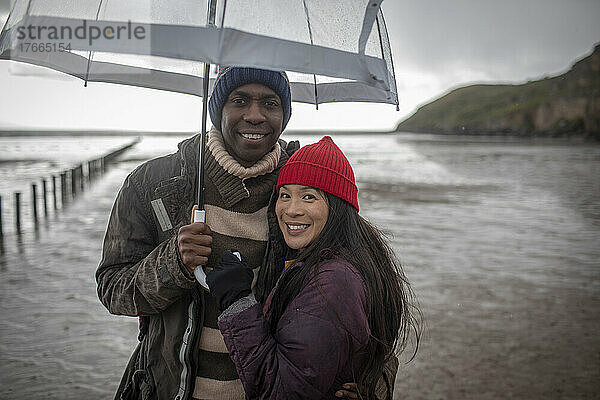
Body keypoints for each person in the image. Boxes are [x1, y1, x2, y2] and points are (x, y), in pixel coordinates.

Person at [96, 67, 379, 400]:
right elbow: (112, 289)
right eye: (239, 100)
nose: (255, 116)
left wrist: (372, 384)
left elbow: (362, 300)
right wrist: (172, 264)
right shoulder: (151, 183)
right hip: (168, 389)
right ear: (218, 111)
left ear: (284, 115)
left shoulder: (299, 189)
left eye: (270, 104)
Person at [206, 136, 421, 399]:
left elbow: (282, 391)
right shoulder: (349, 258)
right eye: (285, 195)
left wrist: (236, 300)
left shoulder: (333, 281)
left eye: (309, 197)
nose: (291, 209)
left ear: (338, 206)